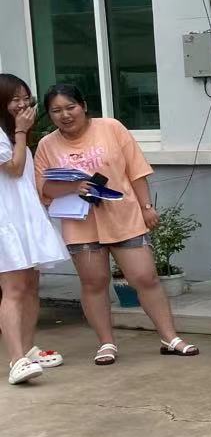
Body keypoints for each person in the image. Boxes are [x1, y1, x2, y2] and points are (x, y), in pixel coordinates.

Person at [35, 84, 198, 364]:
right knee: (94, 282)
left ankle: (170, 338)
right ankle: (106, 343)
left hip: (123, 215)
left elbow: (136, 170)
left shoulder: (111, 127)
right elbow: (43, 188)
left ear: (84, 106)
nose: (65, 115)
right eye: (56, 111)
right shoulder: (46, 145)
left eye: (71, 107)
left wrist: (147, 207)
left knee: (145, 277)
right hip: (80, 223)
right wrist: (73, 187)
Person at [0, 75, 69, 386]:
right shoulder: (9, 134)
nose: (22, 104)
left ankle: (27, 349)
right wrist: (20, 131)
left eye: (25, 97)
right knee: (13, 289)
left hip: (25, 219)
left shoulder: (13, 134)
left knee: (30, 286)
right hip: (6, 223)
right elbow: (14, 169)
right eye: (14, 99)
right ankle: (16, 360)